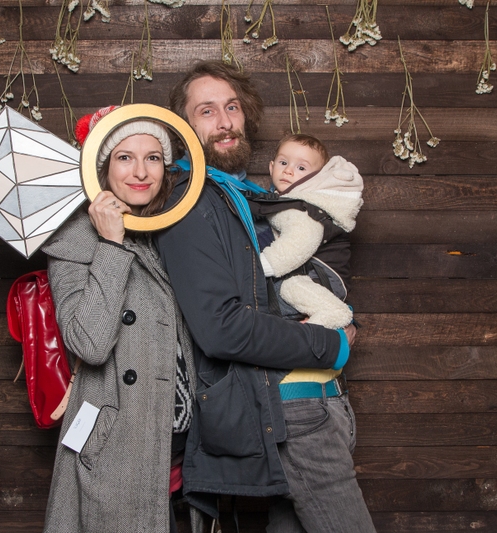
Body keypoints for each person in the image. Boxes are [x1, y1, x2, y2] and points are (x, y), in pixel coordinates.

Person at [157, 60, 377, 532]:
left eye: (232, 107)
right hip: (293, 407)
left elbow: (283, 284)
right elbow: (221, 328)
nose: (224, 121)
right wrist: (331, 344)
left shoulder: (244, 194)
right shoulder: (190, 201)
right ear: (182, 128)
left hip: (319, 402)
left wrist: (338, 322)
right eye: (206, 111)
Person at [41, 106, 197, 533]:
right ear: (102, 169)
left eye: (153, 158)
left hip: (185, 445)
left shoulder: (174, 230)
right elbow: (89, 343)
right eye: (125, 157)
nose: (140, 172)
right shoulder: (73, 240)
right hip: (121, 445)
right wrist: (110, 244)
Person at [255, 133, 364, 330]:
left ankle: (333, 312)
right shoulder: (285, 200)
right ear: (271, 167)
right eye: (283, 162)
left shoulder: (303, 209)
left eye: (301, 168)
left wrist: (256, 267)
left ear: (318, 178)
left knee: (290, 287)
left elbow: (299, 243)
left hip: (322, 279)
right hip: (311, 274)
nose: (288, 171)